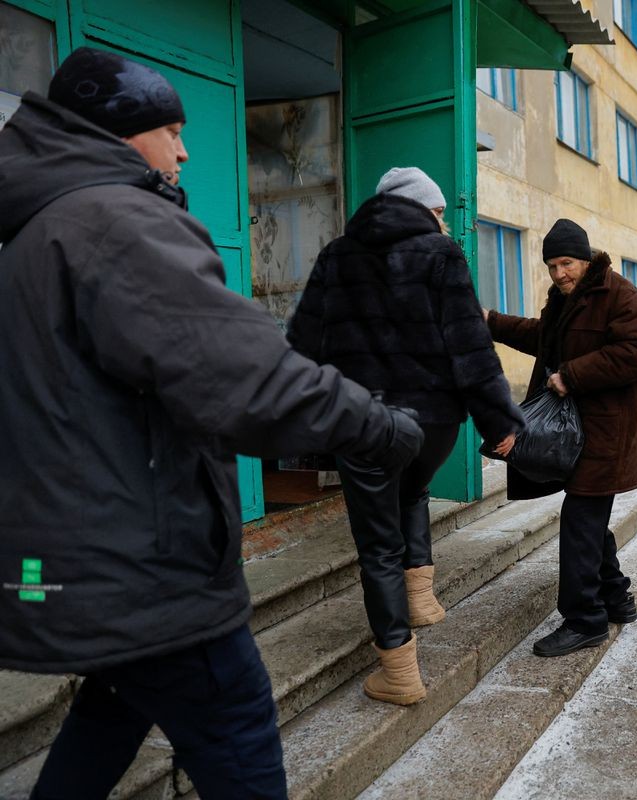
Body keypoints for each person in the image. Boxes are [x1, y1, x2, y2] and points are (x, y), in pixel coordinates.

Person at [0, 47, 424, 799]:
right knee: (235, 727)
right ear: (118, 131)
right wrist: (384, 429)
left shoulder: (34, 232)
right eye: (170, 129)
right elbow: (245, 378)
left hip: (78, 555)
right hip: (146, 564)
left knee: (113, 708)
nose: (186, 148)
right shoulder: (113, 221)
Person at [287, 166, 524, 705]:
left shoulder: (336, 257)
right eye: (439, 211)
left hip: (363, 420)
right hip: (433, 422)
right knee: (413, 491)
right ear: (420, 209)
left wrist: (299, 423)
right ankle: (419, 600)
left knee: (377, 546)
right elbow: (471, 348)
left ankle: (399, 669)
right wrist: (500, 422)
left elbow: (302, 346)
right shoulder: (442, 255)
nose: (444, 220)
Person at [486, 218, 637, 657]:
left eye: (566, 263)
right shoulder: (567, 300)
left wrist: (573, 377)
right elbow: (541, 337)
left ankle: (585, 620)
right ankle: (616, 597)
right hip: (577, 434)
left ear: (585, 258)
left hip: (606, 433)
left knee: (580, 521)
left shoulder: (618, 294)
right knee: (589, 521)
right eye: (551, 265)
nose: (559, 273)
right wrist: (491, 322)